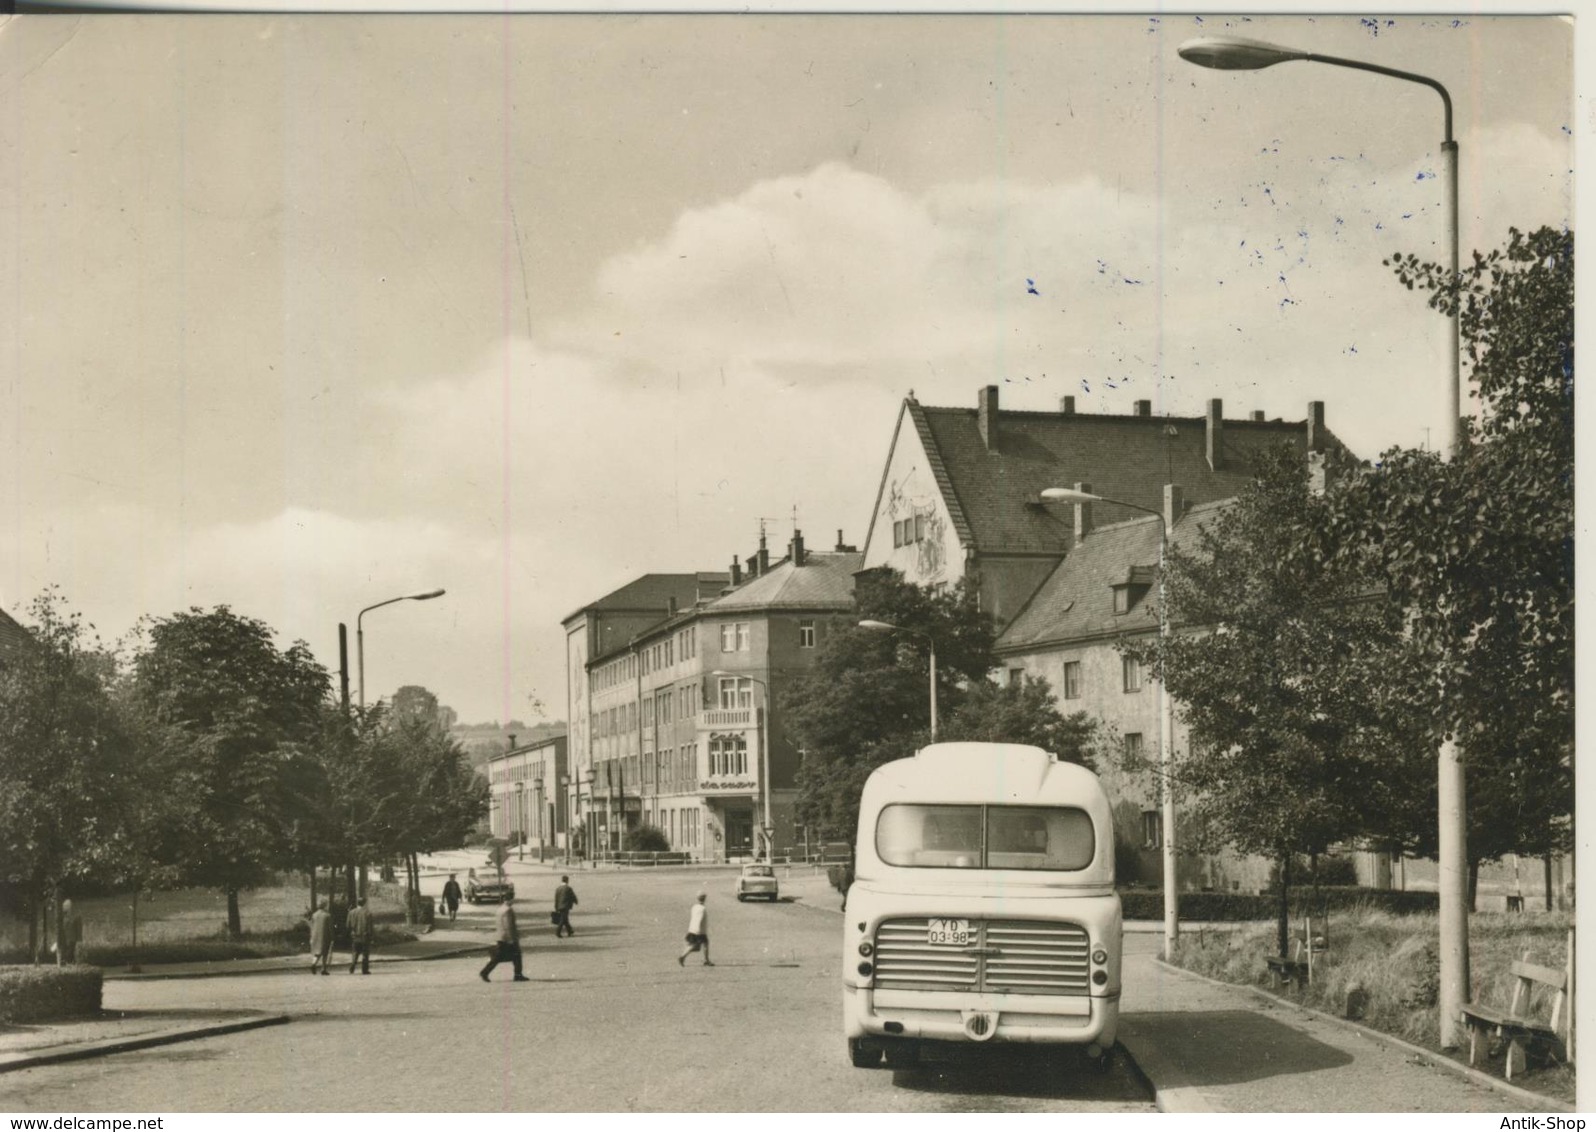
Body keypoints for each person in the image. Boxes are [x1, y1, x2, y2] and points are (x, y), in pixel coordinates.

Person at [480, 893, 529, 982]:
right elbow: (508, 925)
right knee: (514, 956)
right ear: (509, 900)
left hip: (501, 937)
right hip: (507, 938)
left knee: (502, 957)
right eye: (512, 900)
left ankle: (517, 974)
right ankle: (517, 975)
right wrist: (512, 939)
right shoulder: (508, 910)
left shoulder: (500, 909)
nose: (513, 901)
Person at [677, 892, 713, 967]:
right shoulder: (703, 908)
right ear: (704, 899)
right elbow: (699, 919)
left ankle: (706, 960)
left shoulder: (694, 907)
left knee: (700, 945)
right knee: (699, 945)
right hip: (700, 931)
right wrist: (698, 931)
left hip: (693, 929)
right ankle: (683, 956)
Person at [347, 896, 374, 975]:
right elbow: (370, 926)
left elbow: (347, 925)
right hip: (365, 936)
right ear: (365, 903)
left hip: (355, 935)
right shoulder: (368, 913)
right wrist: (371, 936)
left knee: (355, 951)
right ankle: (364, 969)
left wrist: (352, 931)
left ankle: (353, 965)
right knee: (365, 953)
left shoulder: (351, 912)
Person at [308, 901, 333, 975]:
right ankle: (323, 969)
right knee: (325, 953)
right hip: (324, 936)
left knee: (317, 952)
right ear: (324, 906)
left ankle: (313, 964)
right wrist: (332, 937)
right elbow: (330, 928)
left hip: (315, 936)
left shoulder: (314, 915)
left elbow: (311, 925)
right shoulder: (327, 915)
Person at [59, 899, 83, 965]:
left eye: (65, 906)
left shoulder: (77, 917)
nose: (63, 908)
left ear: (69, 907)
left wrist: (79, 941)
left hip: (72, 940)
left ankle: (72, 966)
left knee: (69, 956)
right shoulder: (63, 917)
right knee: (64, 957)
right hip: (64, 940)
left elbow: (79, 930)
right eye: (63, 906)